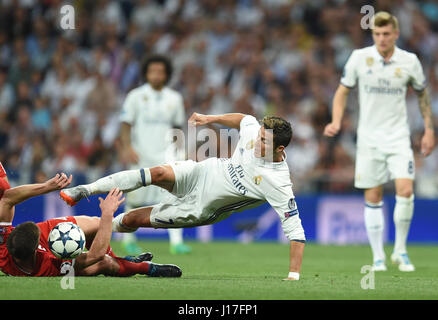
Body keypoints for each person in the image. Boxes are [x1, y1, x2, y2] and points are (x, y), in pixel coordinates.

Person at [60, 112, 306, 281]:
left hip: (200, 208)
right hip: (201, 173)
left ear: (279, 148)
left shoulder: (278, 182)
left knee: (132, 220)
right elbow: (245, 120)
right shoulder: (256, 132)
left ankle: (93, 230)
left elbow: (295, 230)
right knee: (157, 172)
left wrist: (293, 275)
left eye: (263, 141)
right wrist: (212, 119)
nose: (256, 142)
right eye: (260, 135)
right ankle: (85, 190)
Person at [323, 12, 435, 272]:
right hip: (369, 139)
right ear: (372, 35)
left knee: (406, 191)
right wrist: (336, 121)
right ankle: (378, 257)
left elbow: (422, 95)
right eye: (377, 34)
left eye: (386, 34)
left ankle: (400, 250)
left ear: (396, 34)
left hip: (398, 138)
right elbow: (341, 92)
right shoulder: (360, 58)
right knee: (373, 196)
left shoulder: (409, 61)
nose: (382, 39)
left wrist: (429, 130)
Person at [0, 163, 181, 277]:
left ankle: (123, 259)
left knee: (95, 224)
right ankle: (146, 268)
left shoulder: (2, 246)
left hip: (29, 243)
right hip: (51, 262)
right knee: (104, 264)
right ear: (35, 251)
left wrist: (48, 186)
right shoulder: (49, 265)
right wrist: (108, 214)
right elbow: (96, 255)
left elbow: (7, 198)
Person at [118, 54, 191, 255]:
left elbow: (177, 127)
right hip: (141, 153)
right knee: (134, 196)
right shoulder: (135, 96)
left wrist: (180, 151)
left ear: (166, 75)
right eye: (152, 71)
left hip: (166, 154)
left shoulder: (175, 98)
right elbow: (125, 125)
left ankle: (176, 242)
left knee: (173, 196)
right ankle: (128, 239)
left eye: (160, 71)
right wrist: (127, 147)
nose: (156, 75)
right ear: (146, 74)